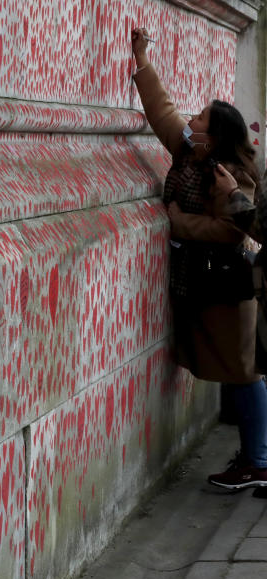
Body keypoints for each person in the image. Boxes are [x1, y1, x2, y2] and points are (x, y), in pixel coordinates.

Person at [131, 27, 263, 489]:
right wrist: (142, 60)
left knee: (244, 374)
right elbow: (163, 112)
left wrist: (180, 223)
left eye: (202, 118)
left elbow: (234, 229)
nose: (192, 119)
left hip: (230, 288)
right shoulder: (189, 154)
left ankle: (258, 461)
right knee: (237, 370)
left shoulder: (232, 175)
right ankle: (253, 458)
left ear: (216, 135)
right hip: (211, 285)